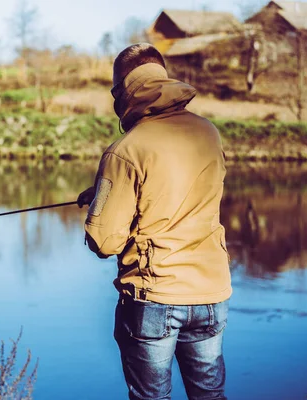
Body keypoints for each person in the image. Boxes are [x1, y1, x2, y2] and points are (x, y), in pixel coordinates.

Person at [77, 43, 232, 400]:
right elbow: (177, 189)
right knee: (210, 395)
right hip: (210, 291)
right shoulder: (207, 133)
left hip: (155, 296)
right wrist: (104, 190)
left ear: (122, 91)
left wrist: (102, 203)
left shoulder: (126, 149)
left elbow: (104, 242)